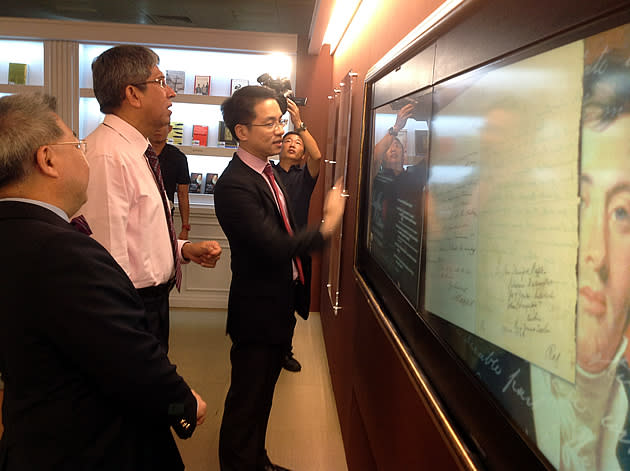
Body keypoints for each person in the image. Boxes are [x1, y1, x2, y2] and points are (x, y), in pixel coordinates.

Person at [0, 92, 207, 470]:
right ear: (47, 159)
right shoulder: (64, 254)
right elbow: (129, 362)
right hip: (89, 446)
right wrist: (184, 406)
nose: (85, 153)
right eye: (76, 144)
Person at [214, 85, 346, 471]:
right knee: (247, 400)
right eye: (269, 123)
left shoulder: (266, 172)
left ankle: (257, 460)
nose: (279, 130)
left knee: (262, 396)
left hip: (277, 304)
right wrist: (330, 224)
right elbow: (274, 244)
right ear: (242, 131)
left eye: (280, 121)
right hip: (257, 310)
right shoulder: (236, 183)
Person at [78, 45, 222, 353]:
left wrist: (182, 250)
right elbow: (107, 265)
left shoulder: (137, 150)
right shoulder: (108, 156)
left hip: (149, 304)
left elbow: (138, 234)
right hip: (130, 311)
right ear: (133, 94)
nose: (170, 92)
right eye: (160, 81)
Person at [273, 98, 323, 372]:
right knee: (271, 302)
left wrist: (299, 124)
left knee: (291, 304)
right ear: (279, 146)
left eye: (298, 143)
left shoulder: (305, 176)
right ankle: (268, 349)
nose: (293, 144)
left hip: (298, 247)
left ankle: (284, 352)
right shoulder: (267, 173)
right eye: (288, 141)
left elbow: (317, 156)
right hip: (271, 245)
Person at [149, 123, 192, 239]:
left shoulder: (178, 157)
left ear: (170, 129)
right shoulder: (136, 153)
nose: (157, 129)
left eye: (162, 125)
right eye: (154, 124)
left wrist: (185, 227)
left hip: (166, 217)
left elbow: (183, 194)